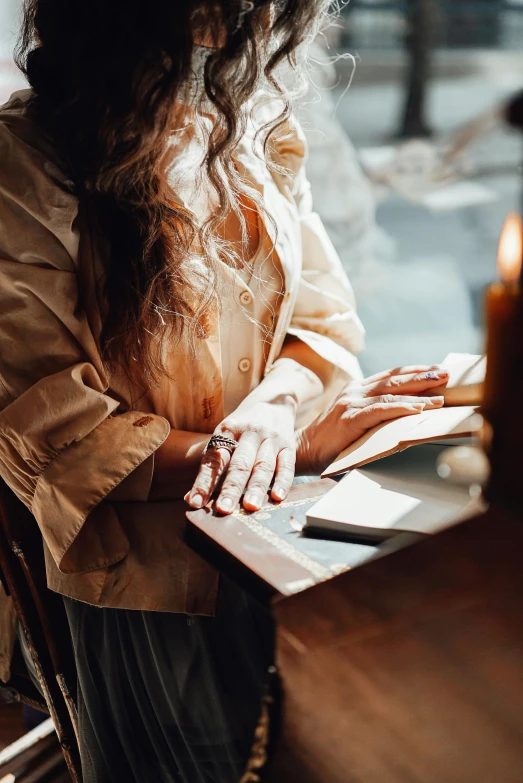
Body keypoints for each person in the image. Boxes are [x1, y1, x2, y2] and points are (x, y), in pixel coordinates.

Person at [0, 1, 448, 781]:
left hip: (274, 528)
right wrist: (289, 444)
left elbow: (323, 320)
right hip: (144, 579)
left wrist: (273, 414)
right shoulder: (20, 167)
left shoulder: (249, 126)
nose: (269, 11)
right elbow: (56, 434)